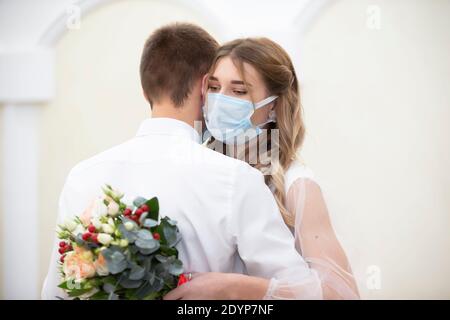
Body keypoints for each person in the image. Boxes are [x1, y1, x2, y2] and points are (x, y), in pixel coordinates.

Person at [41, 23, 318, 300]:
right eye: (215, 86)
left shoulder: (82, 175)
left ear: (145, 89)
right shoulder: (236, 179)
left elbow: (57, 291)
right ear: (204, 87)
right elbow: (303, 293)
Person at [164, 38, 359, 300]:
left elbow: (342, 293)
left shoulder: (297, 185)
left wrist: (236, 288)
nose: (220, 100)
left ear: (274, 105)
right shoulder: (195, 169)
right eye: (213, 87)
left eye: (239, 91)